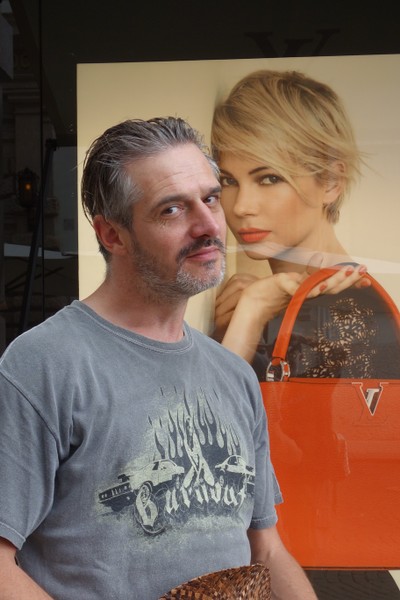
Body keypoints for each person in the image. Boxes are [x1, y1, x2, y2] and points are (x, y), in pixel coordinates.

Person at [0, 117, 318, 599]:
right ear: (113, 235)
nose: (209, 225)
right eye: (172, 209)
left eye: (211, 198)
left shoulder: (233, 374)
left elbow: (266, 549)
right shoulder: (44, 364)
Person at [211, 69, 399, 380]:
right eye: (228, 180)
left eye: (269, 178)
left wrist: (251, 315)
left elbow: (214, 414)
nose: (242, 206)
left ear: (331, 181)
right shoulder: (280, 302)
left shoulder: (346, 316)